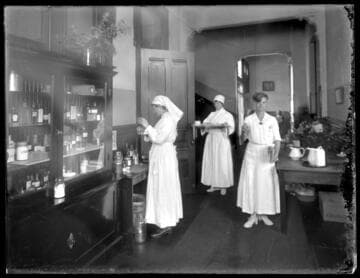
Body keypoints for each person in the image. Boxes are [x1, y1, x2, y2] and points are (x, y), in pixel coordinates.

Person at [137, 95, 183, 239]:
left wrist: (146, 125)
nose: (154, 109)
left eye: (155, 107)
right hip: (161, 156)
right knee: (160, 188)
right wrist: (145, 132)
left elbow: (159, 138)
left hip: (164, 158)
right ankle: (163, 221)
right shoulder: (164, 119)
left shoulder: (168, 120)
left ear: (163, 107)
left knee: (163, 188)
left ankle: (165, 223)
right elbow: (156, 135)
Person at [236, 92, 281, 228]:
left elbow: (277, 140)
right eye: (259, 103)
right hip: (252, 153)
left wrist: (275, 154)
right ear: (254, 104)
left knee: (265, 184)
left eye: (264, 102)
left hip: (267, 153)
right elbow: (241, 140)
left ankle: (264, 213)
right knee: (251, 182)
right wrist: (243, 132)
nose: (261, 105)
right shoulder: (248, 119)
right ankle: (253, 214)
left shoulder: (272, 120)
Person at [200, 94, 235, 196]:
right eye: (215, 102)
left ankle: (223, 185)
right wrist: (205, 126)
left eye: (218, 102)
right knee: (212, 161)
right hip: (211, 140)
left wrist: (224, 127)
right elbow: (204, 124)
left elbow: (231, 128)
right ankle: (213, 184)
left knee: (222, 162)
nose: (216, 104)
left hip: (221, 140)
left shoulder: (227, 115)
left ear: (222, 103)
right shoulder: (211, 114)